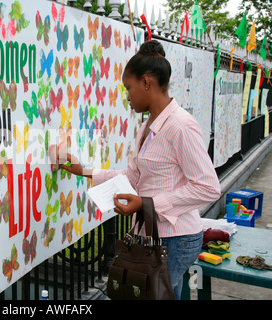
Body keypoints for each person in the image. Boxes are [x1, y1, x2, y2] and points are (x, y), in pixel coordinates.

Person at [59, 40, 221, 299]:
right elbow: (133, 175)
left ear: (146, 82)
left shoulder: (181, 126)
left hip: (176, 240)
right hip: (155, 238)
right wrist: (84, 171)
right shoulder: (147, 127)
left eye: (128, 88)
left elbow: (208, 187)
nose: (127, 97)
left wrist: (148, 204)